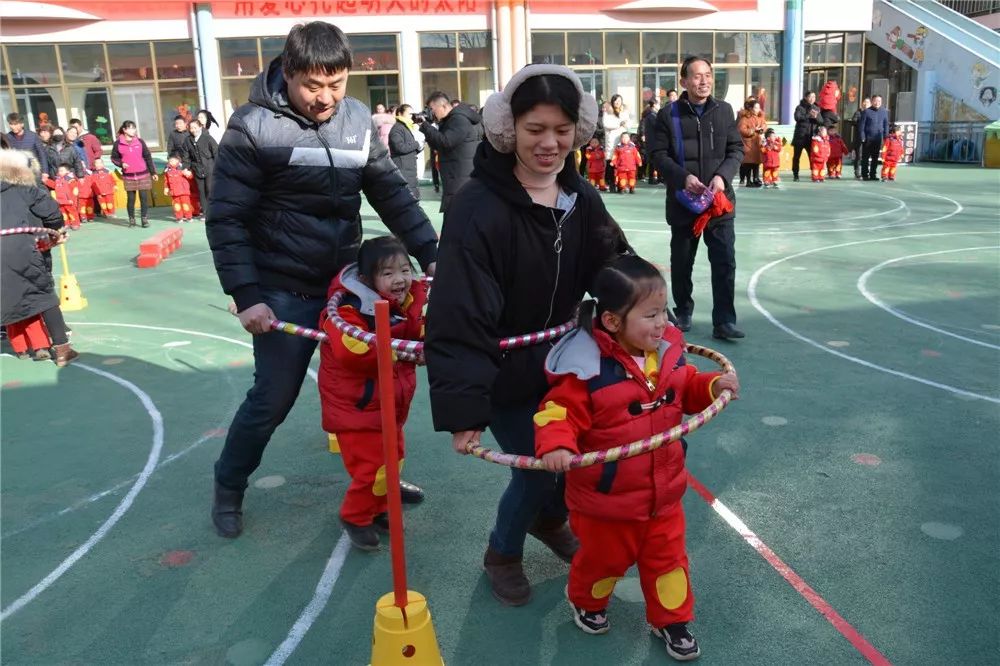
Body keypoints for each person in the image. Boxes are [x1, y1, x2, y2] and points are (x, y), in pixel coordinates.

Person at [205, 21, 438, 539]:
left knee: (377, 393)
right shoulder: (251, 127)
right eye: (313, 86)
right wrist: (247, 296)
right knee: (274, 397)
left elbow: (391, 192)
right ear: (288, 73)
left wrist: (431, 253)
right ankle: (229, 485)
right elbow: (226, 218)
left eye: (336, 85)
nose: (325, 98)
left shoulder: (355, 119)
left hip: (347, 287)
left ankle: (380, 482)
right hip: (282, 290)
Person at [425, 64, 630, 606]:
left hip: (564, 360)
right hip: (504, 370)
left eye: (562, 130)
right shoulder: (478, 206)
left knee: (576, 455)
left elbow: (611, 263)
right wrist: (464, 408)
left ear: (579, 129)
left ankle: (548, 520)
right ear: (507, 127)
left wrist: (645, 310)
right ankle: (502, 551)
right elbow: (459, 311)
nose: (550, 143)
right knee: (541, 466)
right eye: (535, 128)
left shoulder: (579, 197)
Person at [535, 255, 739, 661]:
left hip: (663, 496)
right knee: (602, 562)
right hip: (605, 503)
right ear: (612, 322)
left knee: (669, 562)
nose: (662, 322)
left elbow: (685, 388)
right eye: (650, 315)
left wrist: (713, 385)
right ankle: (586, 600)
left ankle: (672, 619)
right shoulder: (586, 369)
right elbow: (558, 411)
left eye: (663, 311)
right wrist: (556, 444)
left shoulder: (665, 354)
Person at [318, 236, 428, 551]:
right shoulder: (347, 310)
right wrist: (404, 351)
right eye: (389, 273)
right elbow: (353, 351)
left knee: (394, 459)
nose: (400, 280)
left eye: (405, 270)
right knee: (374, 469)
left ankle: (379, 508)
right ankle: (354, 515)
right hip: (358, 407)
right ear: (368, 280)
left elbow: (417, 331)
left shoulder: (408, 302)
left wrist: (423, 345)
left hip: (390, 402)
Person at [649, 55, 745, 340]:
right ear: (683, 81)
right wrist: (683, 178)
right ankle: (684, 310)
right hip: (684, 203)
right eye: (696, 76)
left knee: (725, 261)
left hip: (718, 204)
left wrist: (722, 177)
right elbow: (657, 155)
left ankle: (724, 320)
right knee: (681, 262)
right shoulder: (668, 115)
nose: (703, 81)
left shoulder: (725, 111)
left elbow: (736, 150)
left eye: (708, 75)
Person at [1, 149, 79, 366]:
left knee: (5, 294)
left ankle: (23, 346)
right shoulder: (22, 189)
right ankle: (62, 349)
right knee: (43, 294)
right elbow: (51, 212)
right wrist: (55, 232)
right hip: (21, 247)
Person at [416, 91, 484, 213]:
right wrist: (428, 127)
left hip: (461, 181)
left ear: (443, 106)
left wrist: (426, 127)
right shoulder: (450, 121)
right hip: (457, 178)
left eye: (432, 109)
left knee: (456, 222)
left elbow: (446, 142)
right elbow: (439, 145)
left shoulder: (458, 120)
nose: (431, 113)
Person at [110, 120, 156, 228]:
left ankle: (144, 219)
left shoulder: (140, 141)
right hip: (129, 175)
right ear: (124, 130)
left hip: (143, 174)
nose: (133, 130)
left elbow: (147, 156)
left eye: (134, 128)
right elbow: (114, 158)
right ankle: (132, 219)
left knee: (144, 197)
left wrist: (153, 172)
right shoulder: (118, 143)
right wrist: (122, 164)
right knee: (131, 198)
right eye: (130, 128)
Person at [388, 104, 423, 200]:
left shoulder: (406, 127)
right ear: (400, 113)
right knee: (406, 198)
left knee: (412, 197)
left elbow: (409, 148)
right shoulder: (397, 128)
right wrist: (416, 144)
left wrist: (420, 147)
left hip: (408, 168)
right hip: (402, 168)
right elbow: (400, 147)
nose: (412, 116)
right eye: (409, 114)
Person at [184, 118, 218, 216]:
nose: (193, 130)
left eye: (195, 127)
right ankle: (205, 212)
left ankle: (214, 211)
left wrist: (218, 167)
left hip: (209, 168)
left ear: (200, 127)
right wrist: (186, 168)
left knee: (210, 189)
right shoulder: (188, 140)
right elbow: (186, 156)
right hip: (197, 169)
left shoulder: (208, 138)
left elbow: (216, 152)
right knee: (201, 191)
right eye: (191, 128)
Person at [6, 113, 50, 179]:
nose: (13, 126)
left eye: (15, 124)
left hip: (34, 171)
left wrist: (45, 171)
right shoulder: (7, 137)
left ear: (22, 124)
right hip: (18, 174)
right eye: (11, 124)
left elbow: (42, 154)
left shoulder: (32, 136)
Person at [601, 94, 630, 193]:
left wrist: (624, 124)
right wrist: (619, 124)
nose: (617, 103)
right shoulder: (608, 111)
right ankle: (611, 183)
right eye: (616, 101)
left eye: (619, 101)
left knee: (622, 162)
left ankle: (621, 185)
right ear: (612, 102)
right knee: (611, 161)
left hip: (621, 139)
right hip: (612, 139)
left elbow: (627, 124)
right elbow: (606, 124)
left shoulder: (624, 111)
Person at [736, 97, 766, 187]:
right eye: (756, 107)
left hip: (757, 143)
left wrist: (762, 129)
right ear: (751, 108)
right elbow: (741, 129)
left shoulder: (760, 117)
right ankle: (748, 180)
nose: (758, 109)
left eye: (759, 107)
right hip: (748, 143)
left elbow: (764, 125)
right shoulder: (745, 118)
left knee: (756, 163)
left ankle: (756, 178)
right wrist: (753, 130)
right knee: (748, 163)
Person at [791, 92, 820, 182]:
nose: (812, 98)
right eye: (810, 97)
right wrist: (809, 115)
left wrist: (816, 117)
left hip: (811, 137)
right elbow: (797, 118)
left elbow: (821, 121)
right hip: (800, 136)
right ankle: (796, 175)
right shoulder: (800, 107)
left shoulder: (816, 108)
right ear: (806, 97)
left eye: (814, 97)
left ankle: (814, 174)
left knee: (812, 157)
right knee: (796, 157)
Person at [859, 95, 889, 181]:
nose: (877, 103)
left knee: (875, 158)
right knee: (865, 157)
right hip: (868, 138)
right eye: (875, 101)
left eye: (879, 101)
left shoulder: (884, 112)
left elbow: (886, 124)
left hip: (878, 138)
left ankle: (873, 174)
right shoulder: (866, 112)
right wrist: (863, 136)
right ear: (872, 101)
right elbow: (862, 126)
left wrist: (886, 136)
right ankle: (865, 174)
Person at [43, 165, 81, 229]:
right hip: (60, 201)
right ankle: (67, 223)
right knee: (64, 214)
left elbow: (75, 191)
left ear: (67, 171)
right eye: (59, 171)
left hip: (69, 201)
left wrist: (73, 199)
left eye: (62, 171)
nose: (60, 172)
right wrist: (46, 181)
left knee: (72, 213)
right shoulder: (58, 180)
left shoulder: (71, 180)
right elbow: (54, 185)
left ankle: (75, 223)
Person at [163, 153, 195, 223]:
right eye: (170, 161)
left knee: (186, 205)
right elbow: (166, 180)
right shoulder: (167, 170)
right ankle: (179, 217)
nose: (171, 162)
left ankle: (189, 217)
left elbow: (190, 177)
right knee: (177, 206)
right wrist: (166, 188)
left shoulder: (183, 168)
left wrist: (188, 174)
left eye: (173, 160)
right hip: (174, 192)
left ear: (178, 161)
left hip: (184, 191)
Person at [641, 99, 661, 184]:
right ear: (654, 105)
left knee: (653, 160)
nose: (659, 106)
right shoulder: (652, 115)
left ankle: (653, 178)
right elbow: (657, 126)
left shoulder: (652, 115)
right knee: (653, 160)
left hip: (651, 140)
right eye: (658, 104)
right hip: (653, 140)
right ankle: (652, 178)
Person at [851, 98, 871, 179]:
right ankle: (857, 172)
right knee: (858, 156)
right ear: (862, 103)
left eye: (867, 102)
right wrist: (861, 121)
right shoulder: (858, 112)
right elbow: (853, 121)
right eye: (864, 102)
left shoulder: (871, 113)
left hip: (868, 138)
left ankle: (866, 172)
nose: (866, 104)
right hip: (858, 137)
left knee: (866, 156)